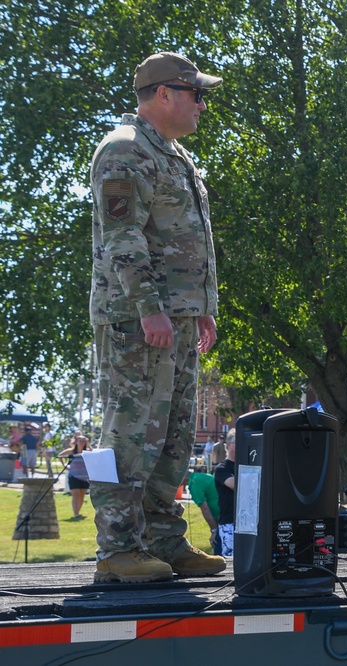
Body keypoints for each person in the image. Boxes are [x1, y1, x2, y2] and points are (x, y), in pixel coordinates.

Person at [89, 51, 226, 583]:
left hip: (178, 320)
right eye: (197, 94)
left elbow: (189, 243)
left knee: (173, 437)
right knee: (129, 432)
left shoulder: (173, 156)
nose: (201, 106)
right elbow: (123, 240)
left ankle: (164, 540)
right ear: (164, 94)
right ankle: (117, 550)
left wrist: (201, 311)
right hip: (136, 319)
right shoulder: (123, 151)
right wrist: (150, 309)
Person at [187, 467, 221, 555]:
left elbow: (205, 510)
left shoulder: (193, 484)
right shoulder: (199, 476)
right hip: (226, 513)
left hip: (223, 517)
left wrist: (214, 530)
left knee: (218, 544)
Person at [58, 433, 91, 520]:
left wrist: (88, 444)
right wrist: (65, 466)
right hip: (74, 476)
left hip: (85, 477)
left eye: (83, 441)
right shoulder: (72, 451)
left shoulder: (87, 452)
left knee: (81, 495)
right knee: (75, 494)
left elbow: (94, 453)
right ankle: (76, 513)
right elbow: (60, 455)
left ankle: (78, 512)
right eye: (80, 441)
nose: (81, 443)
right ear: (76, 442)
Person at [214, 430, 236, 557]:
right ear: (228, 445)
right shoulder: (222, 468)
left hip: (248, 524)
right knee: (230, 561)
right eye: (237, 442)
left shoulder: (250, 464)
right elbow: (235, 485)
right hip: (229, 523)